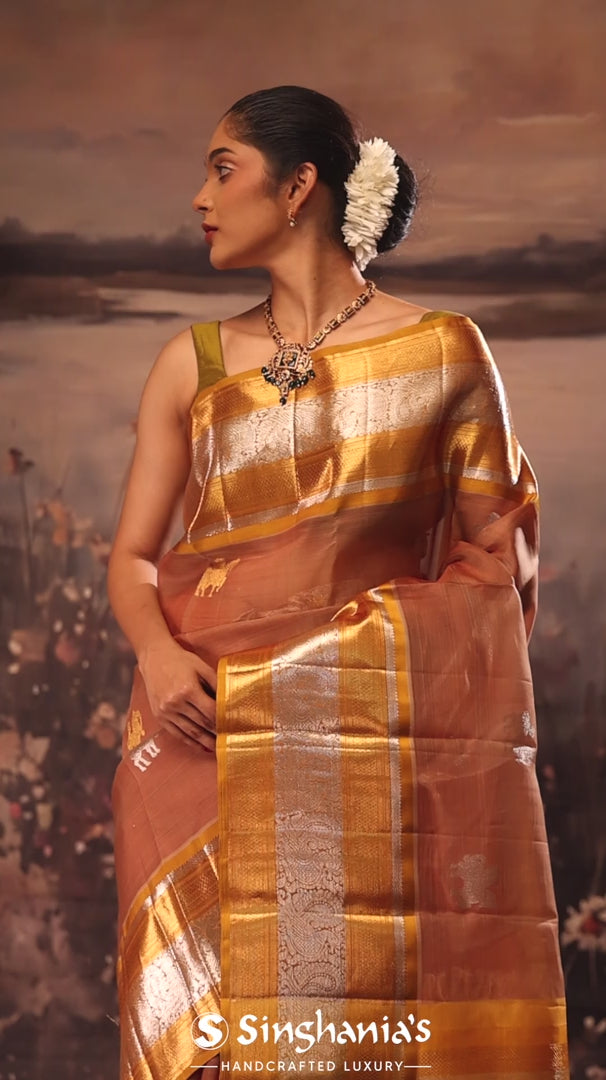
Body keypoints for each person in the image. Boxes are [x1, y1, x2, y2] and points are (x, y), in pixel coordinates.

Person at [107, 85, 569, 1079]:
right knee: (217, 1039)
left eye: (223, 169)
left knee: (359, 1018)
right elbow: (134, 558)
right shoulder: (191, 365)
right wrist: (158, 656)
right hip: (201, 734)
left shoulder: (443, 351)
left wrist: (345, 683)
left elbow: (500, 568)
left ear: (298, 186)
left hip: (369, 745)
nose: (200, 198)